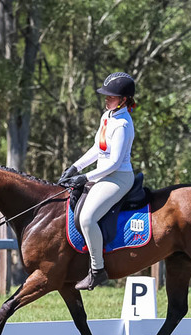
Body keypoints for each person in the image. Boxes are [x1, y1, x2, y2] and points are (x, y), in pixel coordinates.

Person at [59, 71, 137, 290]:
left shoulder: (123, 124)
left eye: (111, 96)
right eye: (106, 95)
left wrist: (84, 177)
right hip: (102, 174)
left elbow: (113, 163)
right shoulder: (108, 117)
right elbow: (98, 148)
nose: (106, 99)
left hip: (118, 178)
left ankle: (97, 270)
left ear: (123, 100)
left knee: (87, 219)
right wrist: (75, 166)